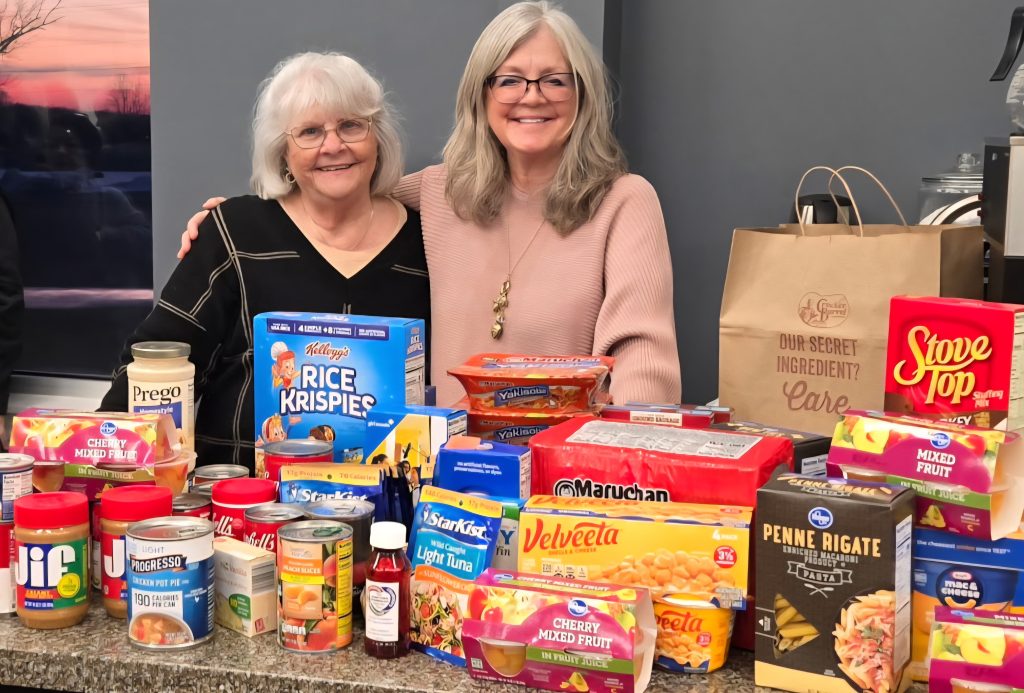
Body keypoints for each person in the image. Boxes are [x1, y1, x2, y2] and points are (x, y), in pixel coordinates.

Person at [180, 2, 680, 406]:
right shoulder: (442, 191)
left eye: (554, 79)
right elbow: (339, 188)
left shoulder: (623, 202)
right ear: (482, 95)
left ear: (582, 94)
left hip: (559, 480)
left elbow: (645, 374)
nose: (532, 96)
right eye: (509, 80)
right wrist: (240, 221)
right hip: (446, 477)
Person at [102, 52, 430, 471]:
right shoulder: (235, 233)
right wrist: (101, 457)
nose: (333, 146)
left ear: (377, 137)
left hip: (389, 501)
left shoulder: (428, 242)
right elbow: (157, 364)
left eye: (351, 125)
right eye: (310, 132)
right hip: (237, 499)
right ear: (283, 152)